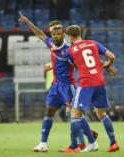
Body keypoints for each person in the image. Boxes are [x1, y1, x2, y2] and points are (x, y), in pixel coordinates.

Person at [18, 14, 98, 152]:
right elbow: (39, 33)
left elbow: (82, 64)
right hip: (55, 86)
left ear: (63, 33)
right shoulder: (50, 43)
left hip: (68, 86)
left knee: (75, 114)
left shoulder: (69, 49)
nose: (55, 35)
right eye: (53, 33)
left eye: (58, 33)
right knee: (49, 111)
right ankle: (43, 143)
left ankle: (90, 142)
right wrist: (27, 22)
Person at [61, 25, 119, 153]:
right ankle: (113, 143)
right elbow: (112, 56)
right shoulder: (93, 43)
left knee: (75, 113)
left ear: (70, 36)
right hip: (99, 81)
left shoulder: (71, 50)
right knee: (101, 113)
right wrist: (107, 65)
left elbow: (76, 65)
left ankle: (74, 146)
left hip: (86, 83)